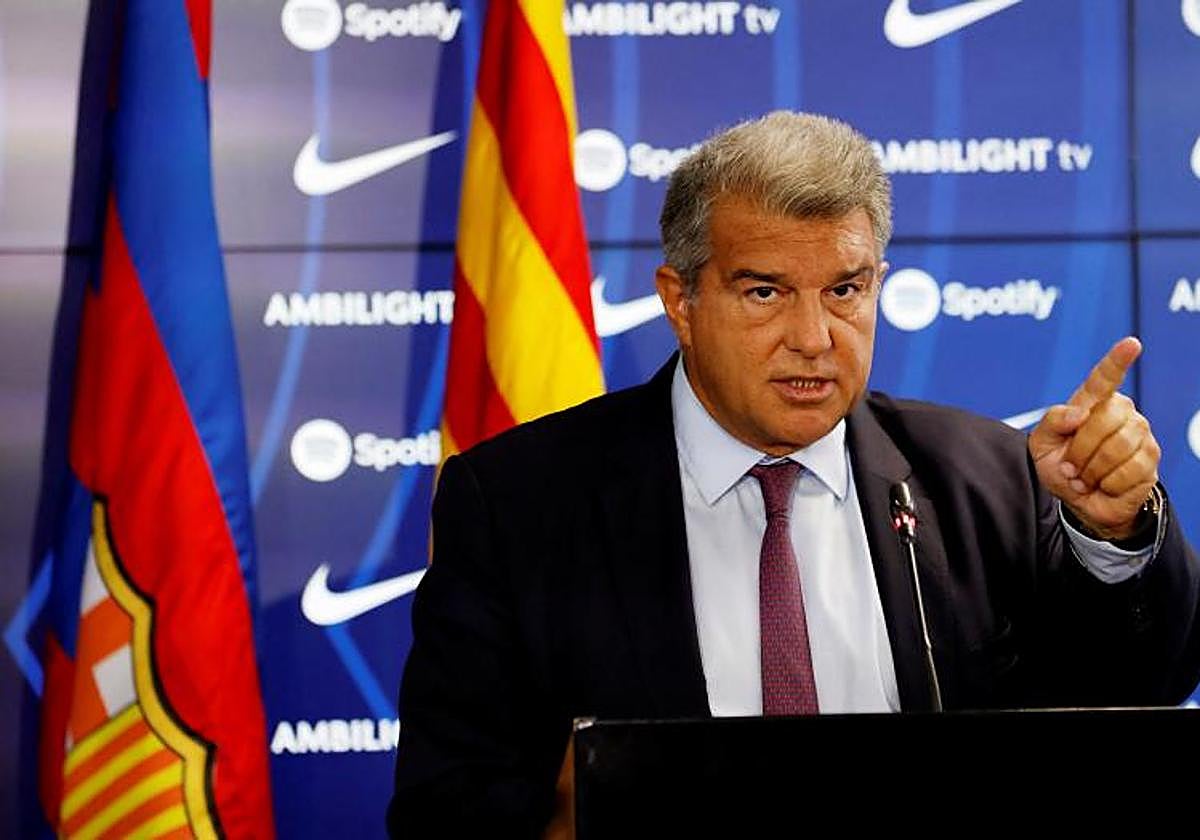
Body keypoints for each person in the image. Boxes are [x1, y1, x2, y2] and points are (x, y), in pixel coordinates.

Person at [388, 112, 1200, 836]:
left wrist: (1110, 535)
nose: (813, 337)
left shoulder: (983, 474)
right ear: (680, 301)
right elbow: (442, 802)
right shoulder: (521, 503)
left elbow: (1134, 699)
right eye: (765, 292)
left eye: (844, 290)